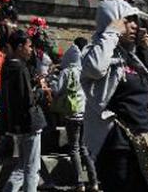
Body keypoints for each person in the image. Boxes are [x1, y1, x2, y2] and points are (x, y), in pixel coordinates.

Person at [80, 0, 148, 192]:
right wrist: (112, 31)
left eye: (135, 21)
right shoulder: (96, 52)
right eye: (128, 20)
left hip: (147, 143)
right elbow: (95, 69)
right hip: (118, 145)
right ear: (113, 20)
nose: (135, 26)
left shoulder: (134, 57)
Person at [0, 30, 47, 192]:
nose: (31, 50)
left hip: (18, 123)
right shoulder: (20, 68)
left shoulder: (7, 66)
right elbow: (28, 99)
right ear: (19, 47)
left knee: (22, 166)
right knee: (32, 168)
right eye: (29, 46)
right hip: (30, 122)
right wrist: (40, 89)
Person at [52, 42, 100, 192]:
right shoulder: (84, 71)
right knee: (84, 148)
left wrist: (52, 80)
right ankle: (94, 181)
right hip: (85, 114)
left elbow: (57, 90)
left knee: (74, 148)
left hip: (71, 114)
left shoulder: (66, 72)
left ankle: (80, 184)